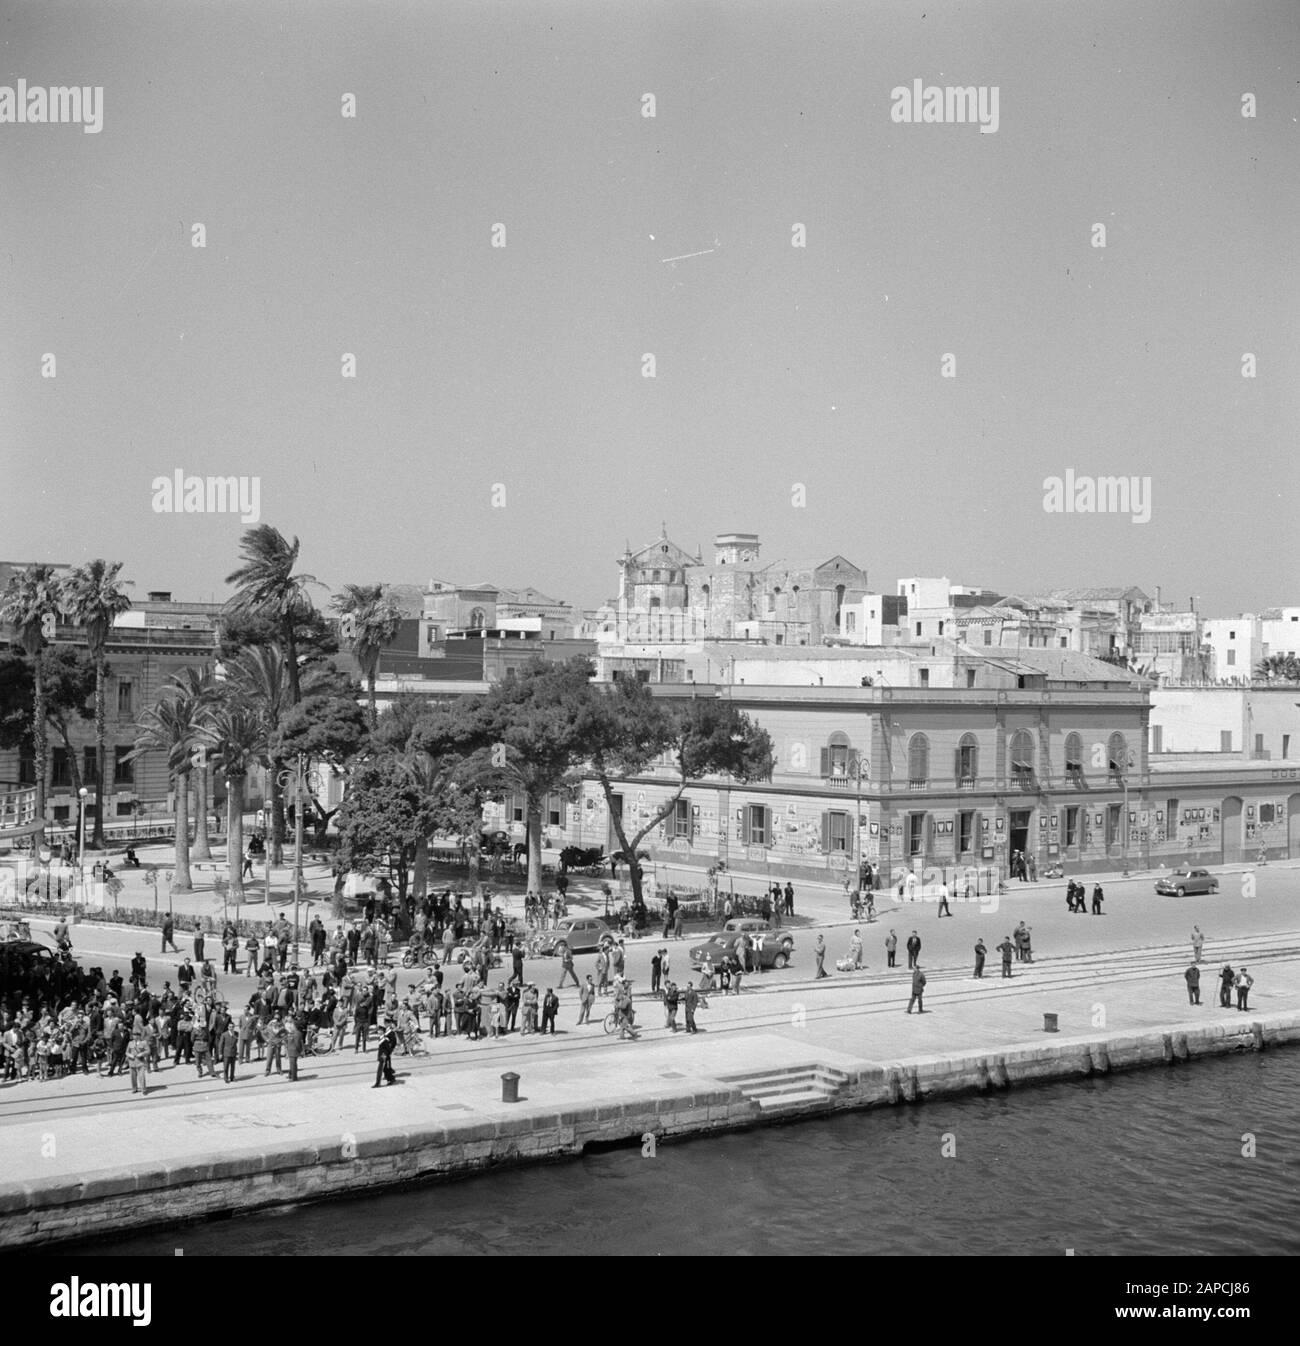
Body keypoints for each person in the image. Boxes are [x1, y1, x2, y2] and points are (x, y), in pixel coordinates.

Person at [373, 1021, 398, 1087]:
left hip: (384, 1056)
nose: (378, 1032)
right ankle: (391, 1079)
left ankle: (378, 1083)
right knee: (385, 1069)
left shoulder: (385, 1039)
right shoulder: (381, 1038)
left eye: (379, 1031)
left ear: (382, 1031)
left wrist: (387, 1055)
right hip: (382, 1055)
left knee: (381, 1070)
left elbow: (389, 1049)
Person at [125, 1029, 149, 1096]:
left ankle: (143, 1089)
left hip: (140, 1062)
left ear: (139, 1036)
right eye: (133, 1035)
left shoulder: (144, 1042)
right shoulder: (130, 1043)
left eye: (136, 1035)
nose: (134, 1036)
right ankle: (134, 1088)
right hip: (132, 1062)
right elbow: (126, 1052)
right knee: (133, 1077)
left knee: (142, 1076)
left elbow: (148, 1051)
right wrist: (130, 1055)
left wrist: (141, 1054)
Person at [285, 1017, 303, 1081]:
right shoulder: (294, 1033)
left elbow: (297, 1044)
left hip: (294, 1051)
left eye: (292, 1025)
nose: (291, 1026)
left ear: (295, 1026)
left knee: (293, 1065)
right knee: (293, 1064)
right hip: (292, 1051)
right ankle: (291, 1075)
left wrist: (299, 1052)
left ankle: (294, 1077)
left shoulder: (297, 1034)